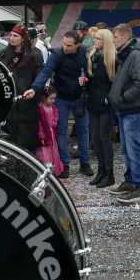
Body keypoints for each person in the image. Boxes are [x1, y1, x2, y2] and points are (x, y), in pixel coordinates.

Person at [24, 30, 93, 179]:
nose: (65, 47)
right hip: (61, 97)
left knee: (83, 130)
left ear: (77, 45)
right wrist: (35, 88)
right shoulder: (57, 54)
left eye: (69, 45)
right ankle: (65, 164)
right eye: (64, 44)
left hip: (80, 97)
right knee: (61, 132)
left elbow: (93, 73)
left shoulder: (86, 53)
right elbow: (45, 72)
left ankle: (85, 163)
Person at [106, 24, 140, 203]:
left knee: (134, 151)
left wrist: (122, 98)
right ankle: (130, 181)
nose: (113, 40)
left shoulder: (135, 55)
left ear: (124, 38)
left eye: (115, 37)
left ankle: (139, 188)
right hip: (125, 112)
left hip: (133, 112)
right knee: (126, 151)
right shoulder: (126, 54)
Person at [0, 25, 43, 152]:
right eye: (11, 35)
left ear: (23, 38)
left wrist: (33, 98)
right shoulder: (4, 55)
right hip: (8, 106)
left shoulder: (35, 56)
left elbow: (39, 79)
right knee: (8, 147)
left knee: (27, 144)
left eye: (15, 36)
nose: (11, 38)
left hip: (27, 105)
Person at [86, 28, 117, 188]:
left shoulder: (113, 58)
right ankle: (101, 170)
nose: (95, 41)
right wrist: (83, 82)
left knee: (105, 138)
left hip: (105, 102)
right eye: (94, 38)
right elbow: (90, 80)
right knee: (96, 138)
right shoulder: (92, 56)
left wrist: (109, 98)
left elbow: (117, 82)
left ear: (106, 40)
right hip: (92, 100)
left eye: (98, 38)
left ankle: (109, 173)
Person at [37, 88, 63, 175]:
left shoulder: (53, 108)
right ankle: (44, 170)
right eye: (51, 99)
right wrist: (41, 136)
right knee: (44, 152)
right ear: (44, 97)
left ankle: (53, 170)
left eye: (54, 99)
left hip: (51, 133)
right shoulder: (41, 109)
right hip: (45, 133)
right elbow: (40, 125)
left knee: (53, 152)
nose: (53, 101)